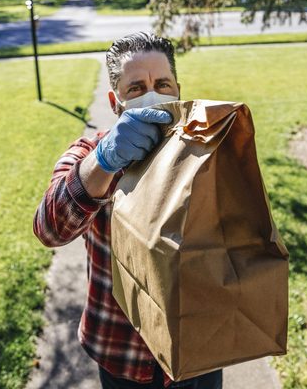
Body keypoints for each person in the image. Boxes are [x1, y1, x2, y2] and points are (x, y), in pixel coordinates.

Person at [33, 32, 224, 389]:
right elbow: (49, 228)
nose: (153, 95)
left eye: (162, 84)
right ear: (114, 100)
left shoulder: (205, 150)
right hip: (122, 349)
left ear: (178, 90)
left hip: (199, 344)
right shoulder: (92, 152)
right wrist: (104, 161)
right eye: (136, 88)